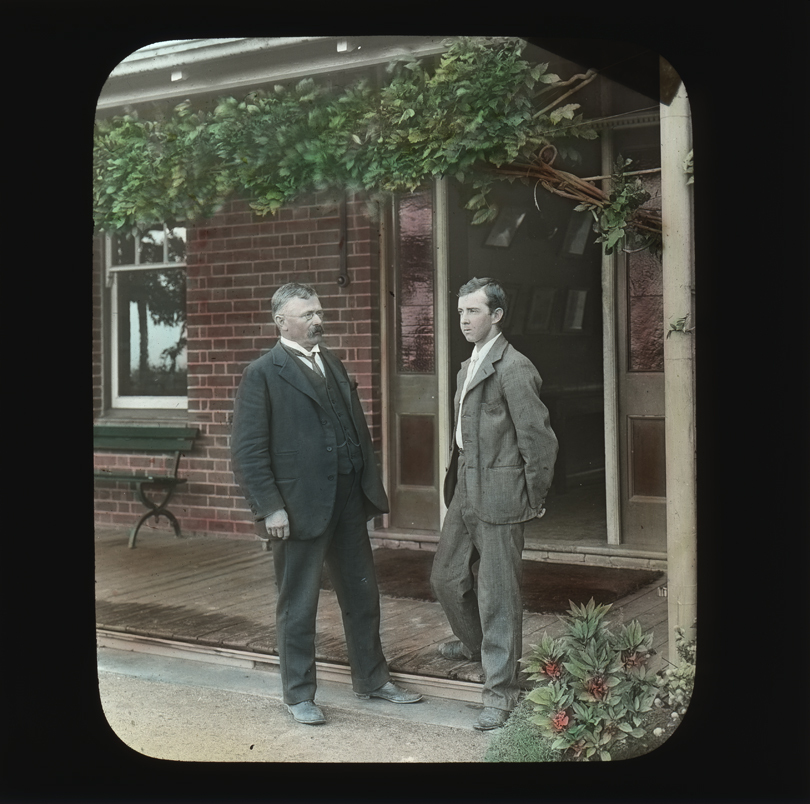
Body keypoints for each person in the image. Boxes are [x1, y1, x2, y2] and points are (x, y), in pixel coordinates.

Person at [231, 282, 422, 725]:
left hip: (347, 502)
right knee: (298, 603)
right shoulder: (262, 373)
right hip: (297, 509)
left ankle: (372, 680)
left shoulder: (330, 361)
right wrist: (270, 507)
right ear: (281, 321)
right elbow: (247, 450)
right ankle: (298, 694)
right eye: (308, 314)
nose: (319, 321)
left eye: (319, 312)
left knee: (362, 592)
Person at [430, 277, 558, 731]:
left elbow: (538, 440)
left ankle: (500, 694)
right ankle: (476, 645)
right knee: (445, 577)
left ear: (497, 315)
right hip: (465, 483)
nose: (465, 320)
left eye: (474, 312)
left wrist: (534, 495)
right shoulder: (468, 367)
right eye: (461, 312)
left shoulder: (514, 367)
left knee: (497, 595)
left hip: (502, 492)